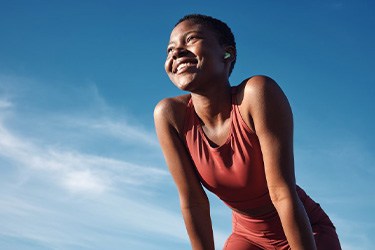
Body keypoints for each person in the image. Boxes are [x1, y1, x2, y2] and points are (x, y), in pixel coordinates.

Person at [154, 14, 341, 250]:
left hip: (305, 231)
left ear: (227, 54)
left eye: (191, 39)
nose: (176, 52)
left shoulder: (256, 94)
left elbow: (281, 192)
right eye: (170, 49)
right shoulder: (170, 115)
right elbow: (194, 202)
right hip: (248, 237)